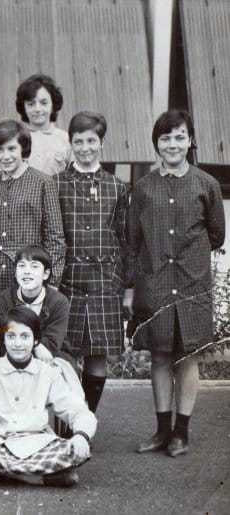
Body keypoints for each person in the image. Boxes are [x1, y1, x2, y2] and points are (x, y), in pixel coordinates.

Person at [126, 110, 225, 457]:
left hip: (192, 285)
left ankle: (181, 433)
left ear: (190, 141)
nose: (173, 144)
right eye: (165, 138)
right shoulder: (143, 188)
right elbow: (133, 240)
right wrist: (131, 288)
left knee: (187, 356)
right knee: (159, 356)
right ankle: (162, 431)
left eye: (180, 137)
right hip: (155, 283)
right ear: (156, 143)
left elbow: (216, 235)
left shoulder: (207, 184)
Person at [0, 306, 96, 487]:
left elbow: (76, 410)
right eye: (11, 336)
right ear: (3, 339)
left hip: (37, 443)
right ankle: (38, 478)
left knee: (77, 450)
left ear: (36, 340)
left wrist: (81, 436)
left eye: (25, 336)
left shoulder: (48, 373)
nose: (17, 343)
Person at [53, 112, 129, 413]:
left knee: (98, 353)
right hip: (68, 281)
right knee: (65, 353)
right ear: (70, 144)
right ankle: (68, 420)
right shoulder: (56, 184)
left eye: (91, 141)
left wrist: (121, 285)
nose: (85, 148)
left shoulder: (117, 187)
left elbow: (124, 239)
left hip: (103, 282)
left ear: (102, 142)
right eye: (78, 142)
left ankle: (87, 419)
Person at [0, 119, 65, 294]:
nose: (5, 156)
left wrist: (52, 282)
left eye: (12, 149)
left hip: (29, 276)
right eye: (0, 150)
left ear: (23, 149)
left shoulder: (43, 182)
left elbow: (55, 238)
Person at [0, 245, 76, 368]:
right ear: (15, 272)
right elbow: (0, 335)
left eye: (34, 266)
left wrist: (40, 347)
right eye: (21, 266)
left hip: (51, 354)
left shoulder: (59, 302)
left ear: (45, 274)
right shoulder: (3, 300)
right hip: (13, 353)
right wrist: (36, 345)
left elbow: (54, 341)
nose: (26, 271)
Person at [15, 74, 71, 175]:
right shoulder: (16, 139)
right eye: (31, 104)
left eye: (44, 103)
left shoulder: (65, 139)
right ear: (23, 107)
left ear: (53, 105)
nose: (37, 109)